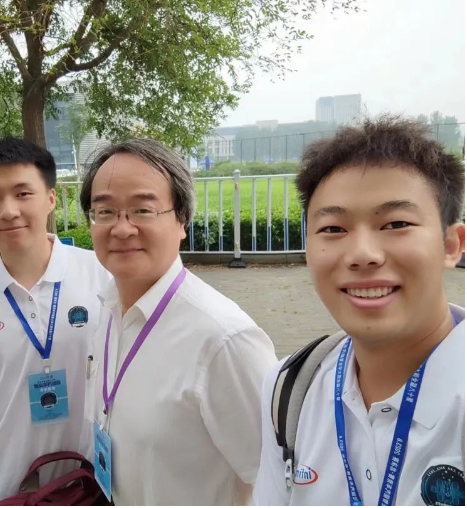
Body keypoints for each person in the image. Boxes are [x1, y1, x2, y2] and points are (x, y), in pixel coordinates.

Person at [253, 116, 465, 506]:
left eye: (396, 223)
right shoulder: (290, 389)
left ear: (451, 245)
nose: (362, 254)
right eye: (333, 229)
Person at [80, 139, 277, 505]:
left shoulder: (224, 340)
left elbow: (280, 484)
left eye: (142, 210)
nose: (121, 229)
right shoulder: (107, 309)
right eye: (105, 212)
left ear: (182, 219)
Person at [0, 137, 111, 505]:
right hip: (8, 488)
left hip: (92, 483)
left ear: (51, 198)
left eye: (23, 194)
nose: (8, 211)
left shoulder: (99, 273)